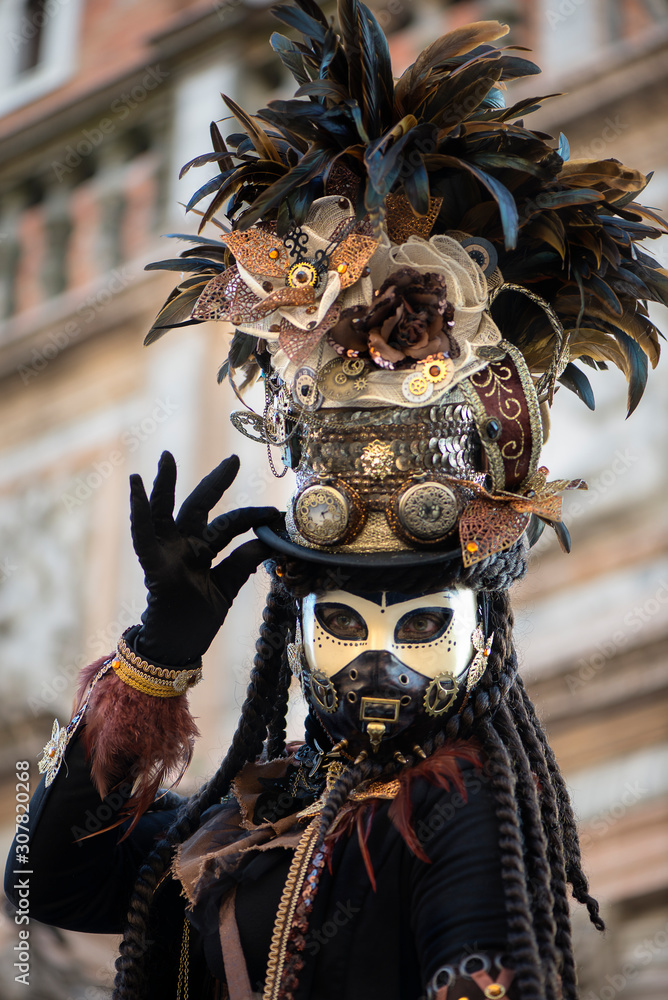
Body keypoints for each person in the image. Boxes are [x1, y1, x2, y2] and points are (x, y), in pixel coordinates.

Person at [6, 3, 666, 999]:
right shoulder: (238, 816)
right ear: (295, 625)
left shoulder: (463, 808)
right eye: (344, 617)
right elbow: (40, 884)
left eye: (418, 620)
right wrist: (159, 654)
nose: (376, 656)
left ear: (480, 635)